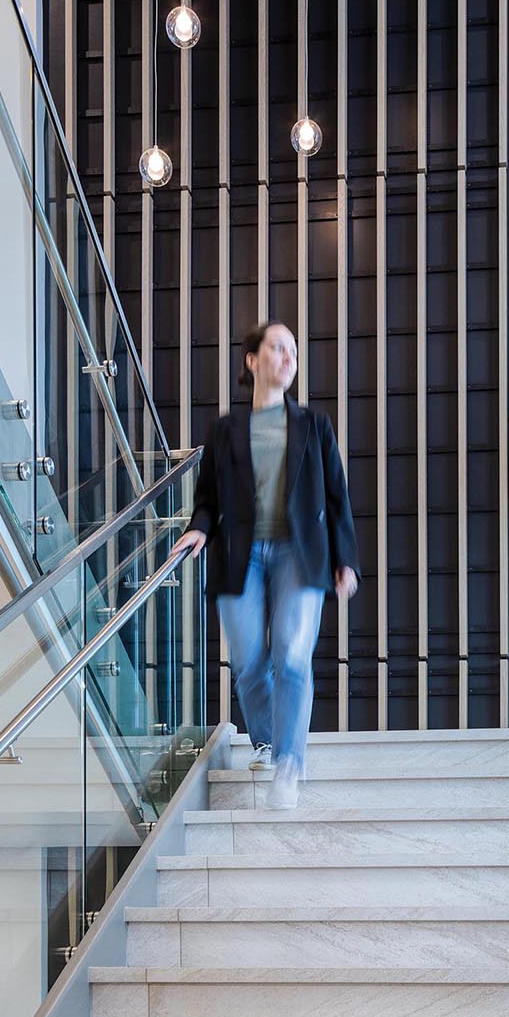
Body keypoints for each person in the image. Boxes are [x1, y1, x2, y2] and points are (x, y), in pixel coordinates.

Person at [173, 321, 360, 810]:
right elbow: (208, 498)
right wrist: (198, 527)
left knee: (293, 658)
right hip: (241, 555)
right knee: (250, 663)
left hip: (300, 553)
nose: (288, 356)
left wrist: (346, 560)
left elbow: (337, 497)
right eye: (277, 347)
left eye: (293, 350)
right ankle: (266, 741)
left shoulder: (315, 427)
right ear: (252, 360)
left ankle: (289, 762)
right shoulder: (225, 430)